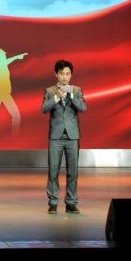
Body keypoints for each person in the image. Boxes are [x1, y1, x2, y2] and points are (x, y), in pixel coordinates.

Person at [40, 59, 86, 213]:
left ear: (71, 75)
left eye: (67, 74)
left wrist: (71, 95)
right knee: (53, 171)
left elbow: (83, 108)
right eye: (62, 74)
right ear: (56, 74)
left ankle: (71, 202)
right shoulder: (50, 91)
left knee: (73, 171)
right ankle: (53, 202)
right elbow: (44, 109)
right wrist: (57, 97)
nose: (65, 77)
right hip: (56, 137)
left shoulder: (77, 90)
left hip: (73, 137)